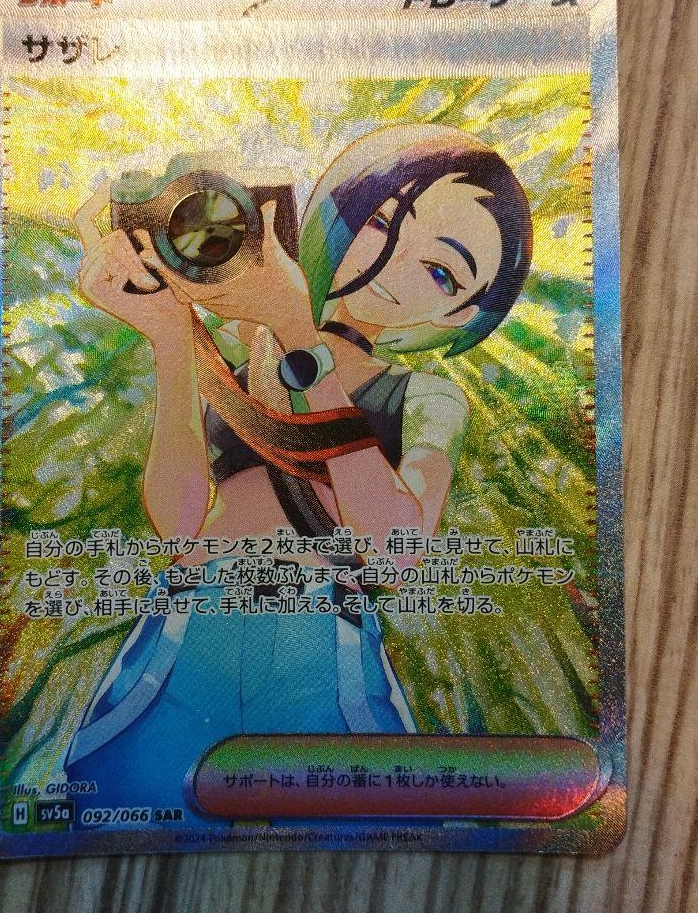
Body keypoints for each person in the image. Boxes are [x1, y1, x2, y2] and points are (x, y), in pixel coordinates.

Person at [63, 124, 532, 825]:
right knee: (131, 797)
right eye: (381, 222)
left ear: (461, 312)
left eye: (440, 272)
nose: (389, 264)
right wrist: (169, 335)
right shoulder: (232, 349)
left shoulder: (425, 396)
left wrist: (297, 335)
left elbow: (396, 551)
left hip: (324, 627)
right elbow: (181, 524)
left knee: (352, 819)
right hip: (195, 613)